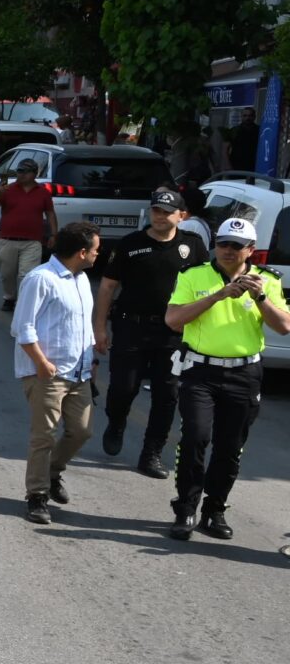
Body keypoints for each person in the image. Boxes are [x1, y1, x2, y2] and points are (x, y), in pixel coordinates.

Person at [162, 216, 290, 542]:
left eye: (236, 246)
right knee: (195, 437)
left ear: (250, 250)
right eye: (223, 244)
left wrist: (261, 298)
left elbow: (284, 326)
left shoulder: (268, 280)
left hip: (244, 373)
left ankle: (214, 509)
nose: (228, 251)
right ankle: (186, 507)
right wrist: (218, 296)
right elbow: (174, 320)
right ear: (214, 245)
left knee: (230, 446)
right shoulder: (194, 275)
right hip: (200, 369)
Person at [95, 189, 205, 476]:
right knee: (123, 387)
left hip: (173, 333)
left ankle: (151, 453)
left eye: (167, 212)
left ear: (182, 216)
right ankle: (116, 422)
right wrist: (99, 328)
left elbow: (206, 290)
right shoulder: (131, 244)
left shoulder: (193, 247)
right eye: (156, 211)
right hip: (131, 326)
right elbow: (108, 287)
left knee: (166, 394)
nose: (160, 216)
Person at [11, 224, 101, 526]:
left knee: (82, 430)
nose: (99, 254)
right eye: (96, 249)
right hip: (46, 373)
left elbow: (83, 325)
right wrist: (41, 362)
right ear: (82, 252)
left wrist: (92, 359)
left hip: (80, 371)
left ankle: (52, 471)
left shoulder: (82, 279)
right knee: (43, 436)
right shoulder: (41, 279)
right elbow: (22, 327)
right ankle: (36, 496)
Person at [0, 156, 54, 312]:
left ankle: (23, 303)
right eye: (19, 171)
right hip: (7, 239)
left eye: (26, 172)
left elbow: (50, 213)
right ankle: (9, 297)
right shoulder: (7, 190)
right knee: (7, 273)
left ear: (34, 174)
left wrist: (53, 234)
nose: (21, 174)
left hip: (32, 241)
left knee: (27, 275)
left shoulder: (42, 192)